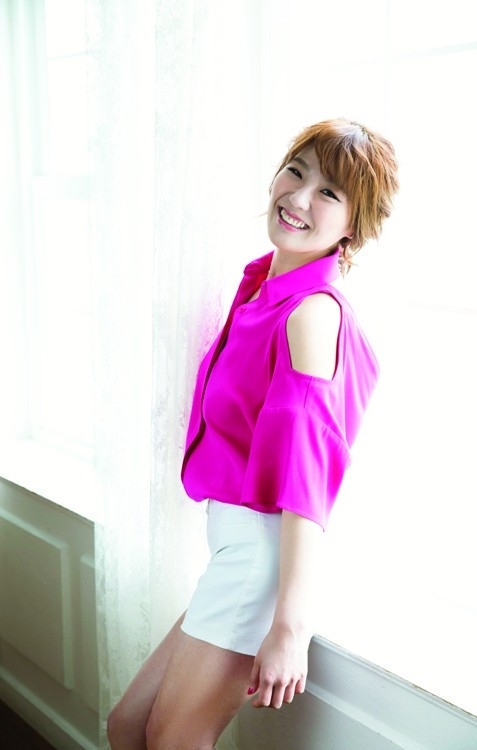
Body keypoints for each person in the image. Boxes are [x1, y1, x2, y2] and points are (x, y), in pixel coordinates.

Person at [107, 117, 399, 750]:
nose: (300, 197)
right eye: (296, 172)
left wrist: (290, 627)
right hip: (235, 550)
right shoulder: (263, 289)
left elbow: (307, 480)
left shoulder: (311, 314)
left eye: (329, 193)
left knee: (171, 740)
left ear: (354, 226)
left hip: (260, 558)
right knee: (127, 727)